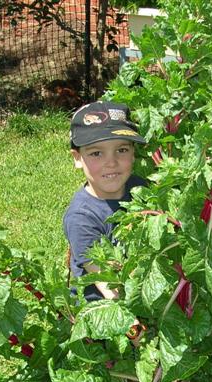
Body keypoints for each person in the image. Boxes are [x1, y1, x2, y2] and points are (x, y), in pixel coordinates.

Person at [63, 101, 148, 302]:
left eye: (122, 150)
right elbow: (111, 289)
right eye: (96, 153)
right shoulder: (81, 218)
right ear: (77, 158)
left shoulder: (141, 189)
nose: (111, 162)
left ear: (133, 152)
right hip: (103, 311)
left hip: (141, 291)